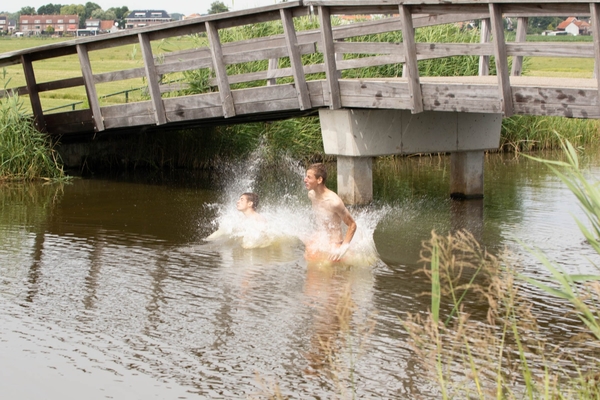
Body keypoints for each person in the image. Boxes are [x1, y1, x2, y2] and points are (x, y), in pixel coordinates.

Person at [303, 163, 357, 262]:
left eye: (309, 177)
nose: (305, 180)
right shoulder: (311, 195)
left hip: (334, 243)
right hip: (322, 238)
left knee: (331, 272)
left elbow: (352, 225)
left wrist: (344, 247)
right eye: (306, 176)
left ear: (319, 180)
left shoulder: (334, 202)